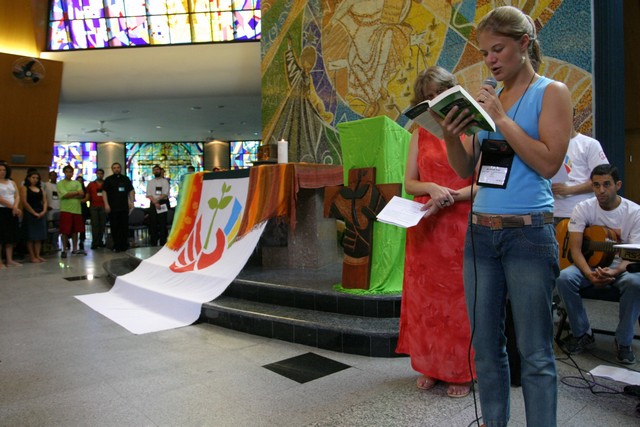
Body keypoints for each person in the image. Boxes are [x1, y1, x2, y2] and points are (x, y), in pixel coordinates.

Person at [436, 6, 572, 426]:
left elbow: (548, 162)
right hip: (481, 234)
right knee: (486, 349)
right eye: (484, 53)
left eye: (498, 49)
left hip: (527, 234)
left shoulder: (551, 92)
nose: (490, 60)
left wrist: (499, 118)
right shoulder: (488, 99)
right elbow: (466, 169)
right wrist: (450, 134)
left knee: (535, 352)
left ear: (524, 44)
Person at [396, 66, 475, 398]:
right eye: (427, 96)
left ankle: (461, 371)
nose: (434, 101)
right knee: (426, 300)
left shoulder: (473, 130)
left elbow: (485, 183)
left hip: (459, 224)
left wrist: (453, 195)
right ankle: (430, 365)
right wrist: (431, 187)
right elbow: (409, 183)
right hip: (426, 225)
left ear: (453, 93)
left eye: (439, 93)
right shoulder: (420, 133)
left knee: (458, 301)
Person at [556, 164, 640, 365]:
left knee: (635, 283)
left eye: (606, 184)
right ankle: (582, 333)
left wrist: (615, 271)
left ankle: (624, 341)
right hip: (589, 265)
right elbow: (575, 249)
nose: (601, 190)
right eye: (596, 185)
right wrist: (589, 273)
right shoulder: (583, 208)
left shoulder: (634, 212)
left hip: (622, 267)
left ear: (618, 185)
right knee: (564, 278)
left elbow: (633, 255)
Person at [552, 127, 608, 222]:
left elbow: (602, 178)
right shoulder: (550, 145)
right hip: (552, 212)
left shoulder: (589, 144)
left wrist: (568, 190)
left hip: (581, 212)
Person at [102, 162, 134, 252]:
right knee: (115, 227)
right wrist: (106, 204)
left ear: (120, 168)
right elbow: (104, 192)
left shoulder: (125, 179)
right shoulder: (108, 179)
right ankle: (116, 245)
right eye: (114, 168)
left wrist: (132, 201)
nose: (116, 169)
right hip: (113, 208)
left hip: (124, 207)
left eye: (118, 167)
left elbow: (131, 190)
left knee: (124, 227)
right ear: (112, 169)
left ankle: (124, 245)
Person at [57, 165, 86, 258]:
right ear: (64, 173)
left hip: (77, 210)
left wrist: (71, 194)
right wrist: (76, 193)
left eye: (70, 172)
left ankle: (75, 249)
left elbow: (82, 194)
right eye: (67, 172)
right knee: (65, 231)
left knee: (75, 231)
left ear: (73, 173)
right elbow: (65, 195)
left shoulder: (77, 183)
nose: (69, 173)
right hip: (66, 209)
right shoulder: (60, 183)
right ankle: (64, 249)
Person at [20, 169, 48, 263]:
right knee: (30, 236)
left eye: (37, 178)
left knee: (38, 236)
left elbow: (44, 201)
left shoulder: (40, 189)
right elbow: (24, 202)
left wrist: (44, 211)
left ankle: (38, 255)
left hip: (40, 212)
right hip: (30, 213)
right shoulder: (25, 188)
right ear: (28, 178)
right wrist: (33, 212)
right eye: (33, 177)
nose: (35, 180)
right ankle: (32, 256)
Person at [0, 162, 22, 268]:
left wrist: (15, 207)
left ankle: (9, 260)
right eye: (0, 170)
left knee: (10, 236)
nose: (2, 172)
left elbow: (17, 195)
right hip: (2, 210)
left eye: (4, 170)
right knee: (1, 236)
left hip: (12, 211)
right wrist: (13, 207)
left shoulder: (11, 182)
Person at [146, 164, 170, 246]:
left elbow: (165, 193)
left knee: (162, 223)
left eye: (157, 170)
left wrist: (158, 200)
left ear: (160, 171)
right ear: (153, 172)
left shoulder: (165, 181)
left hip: (162, 203)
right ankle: (154, 242)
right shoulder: (150, 182)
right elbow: (148, 194)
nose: (156, 171)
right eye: (155, 170)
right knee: (153, 223)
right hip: (153, 203)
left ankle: (163, 242)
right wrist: (155, 202)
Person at [85, 169, 107, 249]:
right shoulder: (91, 184)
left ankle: (100, 241)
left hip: (103, 206)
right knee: (95, 225)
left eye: (101, 174)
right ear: (96, 174)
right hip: (93, 206)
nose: (100, 175)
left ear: (103, 175)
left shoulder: (106, 184)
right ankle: (94, 242)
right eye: (98, 173)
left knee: (102, 225)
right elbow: (87, 194)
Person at [43, 170, 61, 252]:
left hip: (58, 208)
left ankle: (55, 244)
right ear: (49, 176)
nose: (54, 177)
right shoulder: (46, 185)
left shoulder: (59, 185)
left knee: (57, 229)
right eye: (52, 175)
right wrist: (46, 205)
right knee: (50, 228)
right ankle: (48, 245)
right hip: (50, 209)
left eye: (55, 175)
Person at [76, 176, 90, 251]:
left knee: (82, 224)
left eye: (81, 181)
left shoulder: (85, 189)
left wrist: (82, 200)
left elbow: (87, 197)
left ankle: (81, 240)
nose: (79, 182)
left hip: (83, 208)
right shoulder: (74, 189)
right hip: (75, 207)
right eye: (78, 181)